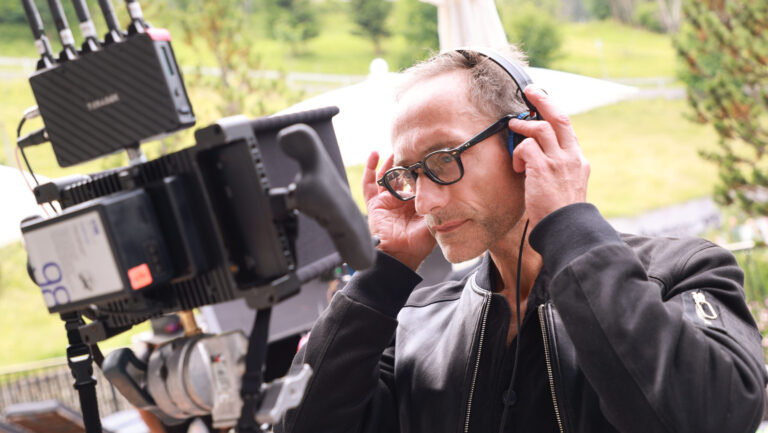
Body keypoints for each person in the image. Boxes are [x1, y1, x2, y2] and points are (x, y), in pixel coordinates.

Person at [275, 47, 768, 433]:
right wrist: (380, 277)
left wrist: (570, 222)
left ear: (526, 142)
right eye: (408, 174)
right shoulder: (414, 322)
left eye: (443, 158)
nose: (422, 201)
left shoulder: (685, 271)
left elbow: (710, 416)